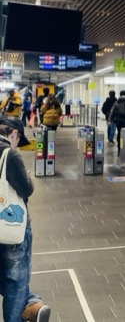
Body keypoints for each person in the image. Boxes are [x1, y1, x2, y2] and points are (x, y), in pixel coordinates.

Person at [0, 118, 52, 322]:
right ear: (13, 133)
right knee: (15, 282)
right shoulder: (9, 154)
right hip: (11, 227)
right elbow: (26, 189)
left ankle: (32, 305)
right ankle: (31, 304)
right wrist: (26, 177)